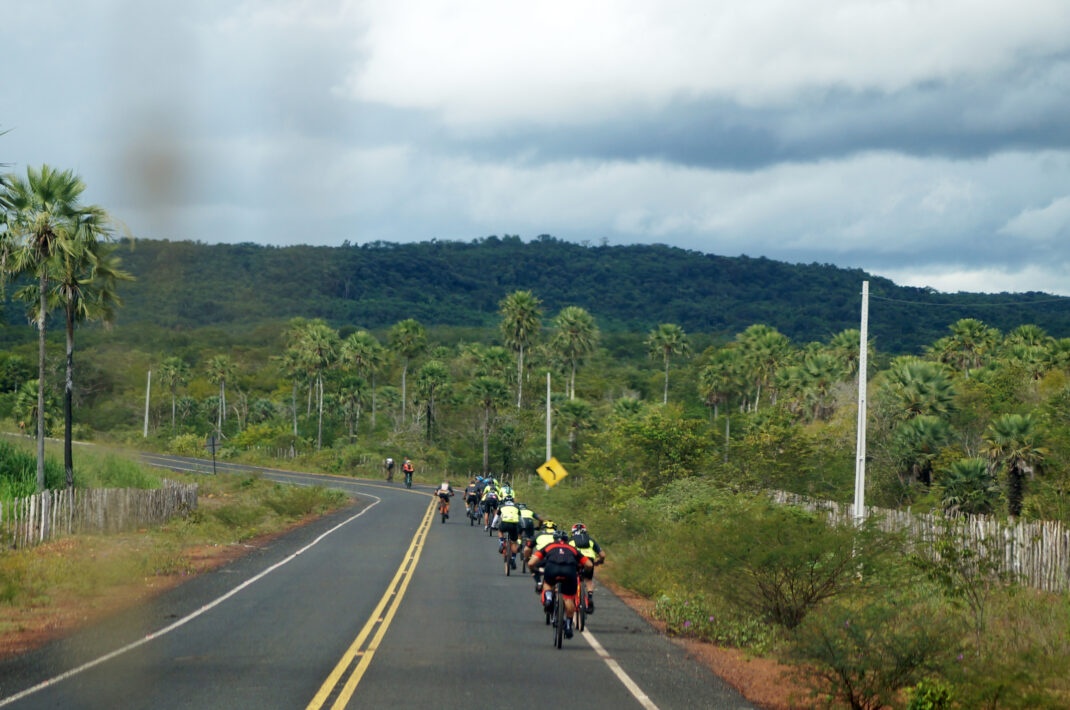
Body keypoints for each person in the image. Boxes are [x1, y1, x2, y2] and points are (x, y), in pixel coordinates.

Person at [530, 530, 593, 639]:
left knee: (548, 584)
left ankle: (549, 598)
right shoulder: (573, 549)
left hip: (551, 570)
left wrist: (534, 570)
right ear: (567, 540)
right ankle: (568, 625)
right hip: (569, 572)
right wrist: (583, 572)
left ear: (554, 539)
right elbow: (589, 564)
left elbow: (531, 562)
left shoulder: (549, 547)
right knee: (568, 598)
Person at [569, 522, 606, 613]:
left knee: (570, 577)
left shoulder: (571, 540)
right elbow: (602, 554)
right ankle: (589, 597)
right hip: (589, 561)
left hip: (576, 560)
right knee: (588, 579)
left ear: (573, 532)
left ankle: (571, 595)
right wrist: (600, 561)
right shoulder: (591, 540)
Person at [496, 495, 522, 569]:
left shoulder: (501, 506)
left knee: (500, 530)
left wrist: (492, 525)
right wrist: (521, 527)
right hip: (514, 525)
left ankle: (501, 543)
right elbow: (520, 519)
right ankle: (513, 559)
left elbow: (496, 517)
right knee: (514, 542)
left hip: (505, 523)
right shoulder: (517, 507)